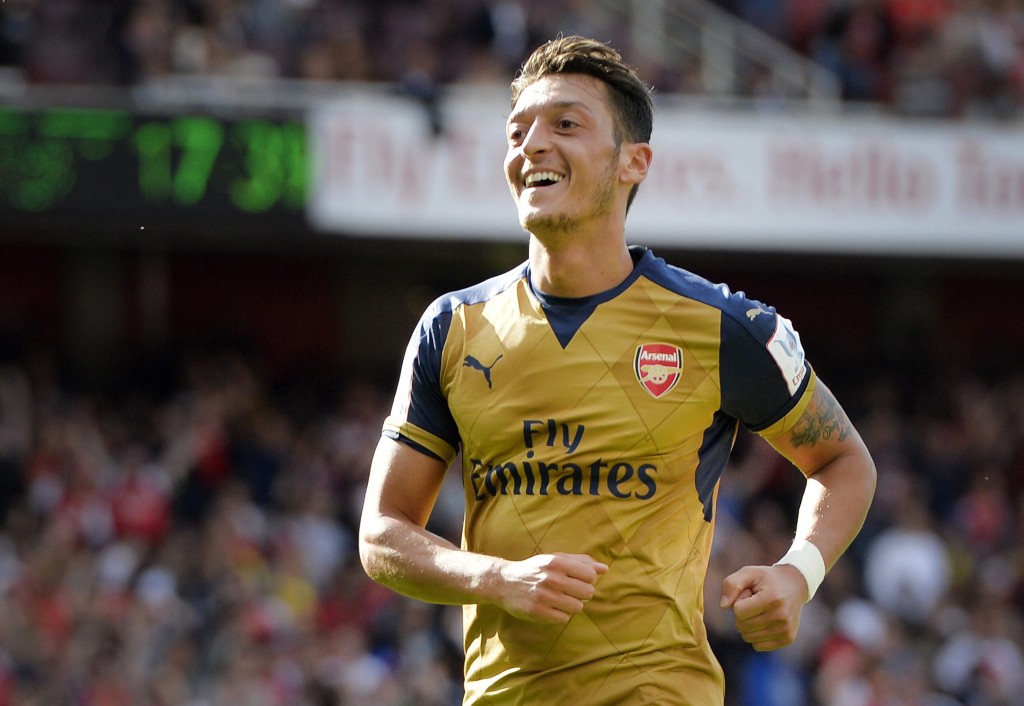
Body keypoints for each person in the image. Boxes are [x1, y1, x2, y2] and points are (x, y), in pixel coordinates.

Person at [359, 35, 877, 705]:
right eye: (517, 132)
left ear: (635, 161)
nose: (531, 145)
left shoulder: (721, 326)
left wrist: (798, 572)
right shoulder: (453, 328)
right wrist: (496, 579)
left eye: (565, 125)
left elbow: (843, 461)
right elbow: (382, 533)